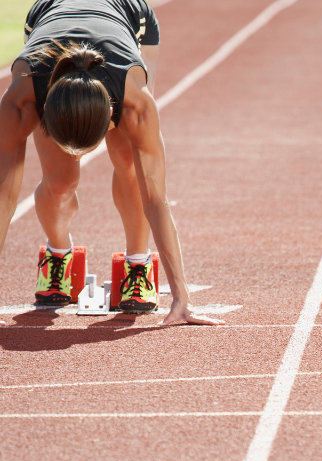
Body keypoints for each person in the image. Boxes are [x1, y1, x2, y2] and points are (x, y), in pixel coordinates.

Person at [0, 0, 217, 324]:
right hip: (50, 14)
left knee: (130, 157)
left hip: (128, 18)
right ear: (44, 113)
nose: (79, 157)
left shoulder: (134, 103)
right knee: (59, 182)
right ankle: (58, 254)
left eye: (85, 148)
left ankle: (138, 262)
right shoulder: (22, 97)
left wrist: (181, 297)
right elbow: (3, 196)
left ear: (112, 115)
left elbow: (156, 199)